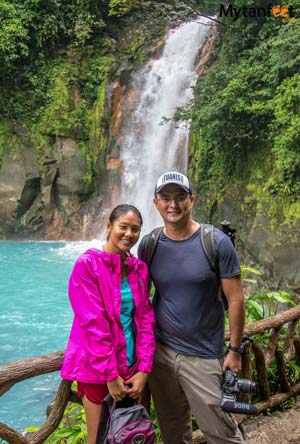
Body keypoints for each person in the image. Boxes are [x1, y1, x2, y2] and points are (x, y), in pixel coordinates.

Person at [138, 171, 245, 444]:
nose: (172, 204)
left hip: (204, 355)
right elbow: (139, 300)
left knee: (221, 433)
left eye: (180, 197)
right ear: (155, 203)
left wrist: (234, 351)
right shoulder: (149, 245)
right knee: (173, 431)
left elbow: (235, 298)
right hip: (161, 354)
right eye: (165, 198)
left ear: (192, 200)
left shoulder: (215, 242)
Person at [61, 204, 156, 444]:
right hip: (97, 371)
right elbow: (93, 323)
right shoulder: (88, 265)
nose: (129, 234)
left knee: (128, 436)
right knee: (100, 439)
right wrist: (110, 374)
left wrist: (144, 368)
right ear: (109, 226)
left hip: (131, 368)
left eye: (135, 229)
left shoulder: (139, 269)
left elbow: (145, 318)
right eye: (123, 227)